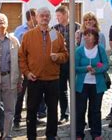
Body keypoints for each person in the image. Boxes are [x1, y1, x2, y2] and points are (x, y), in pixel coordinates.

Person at [18, 7, 68, 140]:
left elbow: (65, 55)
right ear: (37, 18)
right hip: (34, 79)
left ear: (50, 18)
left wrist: (58, 56)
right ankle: (31, 136)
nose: (44, 18)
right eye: (42, 16)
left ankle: (51, 135)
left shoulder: (56, 35)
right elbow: (21, 57)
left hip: (53, 79)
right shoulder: (28, 36)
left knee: (52, 109)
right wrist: (27, 73)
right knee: (32, 109)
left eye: (47, 16)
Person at [75, 28, 109, 140]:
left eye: (89, 35)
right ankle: (79, 133)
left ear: (95, 38)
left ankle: (96, 133)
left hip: (97, 85)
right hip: (82, 85)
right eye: (85, 35)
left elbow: (105, 65)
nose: (86, 37)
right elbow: (74, 68)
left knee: (95, 110)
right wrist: (85, 68)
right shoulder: (79, 50)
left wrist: (97, 70)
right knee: (80, 109)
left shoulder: (100, 49)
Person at [52, 5, 80, 124]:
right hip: (60, 63)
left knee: (75, 88)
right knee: (61, 90)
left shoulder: (77, 27)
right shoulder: (53, 29)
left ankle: (77, 113)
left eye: (59, 16)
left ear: (66, 15)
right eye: (56, 16)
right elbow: (51, 45)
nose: (57, 18)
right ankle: (64, 114)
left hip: (74, 62)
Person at [13, 9, 38, 129]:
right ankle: (16, 119)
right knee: (20, 93)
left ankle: (32, 118)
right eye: (37, 17)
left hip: (35, 66)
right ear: (32, 17)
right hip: (23, 66)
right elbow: (17, 47)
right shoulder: (19, 30)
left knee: (33, 95)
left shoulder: (39, 30)